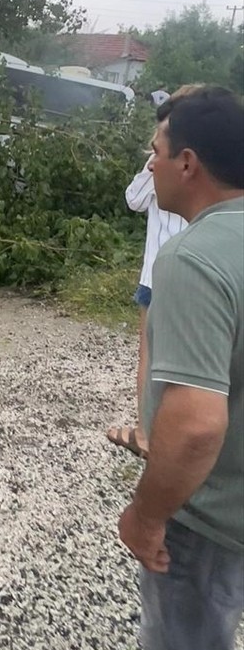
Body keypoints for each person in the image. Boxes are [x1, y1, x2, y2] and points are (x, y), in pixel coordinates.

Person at [117, 86, 244, 650]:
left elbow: (195, 426)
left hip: (211, 520)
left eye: (155, 151)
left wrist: (146, 516)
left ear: (187, 162)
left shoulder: (194, 259)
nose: (150, 163)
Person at [107, 86, 202, 459]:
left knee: (172, 358)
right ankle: (149, 431)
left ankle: (163, 434)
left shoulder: (196, 172)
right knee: (150, 354)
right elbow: (134, 200)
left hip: (178, 275)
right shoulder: (161, 165)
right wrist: (152, 163)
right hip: (154, 277)